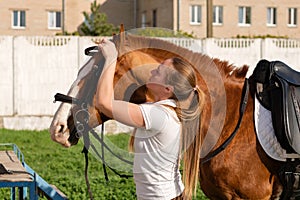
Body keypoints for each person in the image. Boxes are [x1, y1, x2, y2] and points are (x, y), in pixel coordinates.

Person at [95, 39, 205, 200]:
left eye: (159, 71)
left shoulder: (159, 115)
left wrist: (111, 57)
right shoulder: (172, 110)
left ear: (168, 89)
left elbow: (103, 103)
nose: (152, 71)